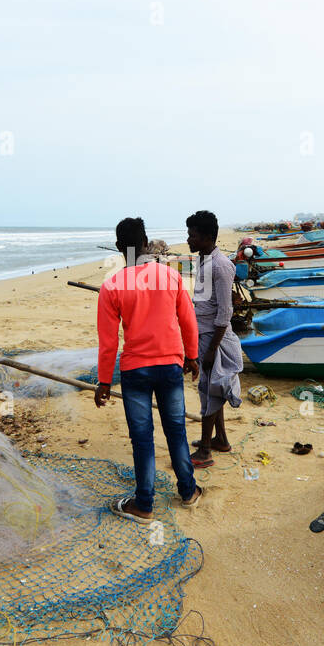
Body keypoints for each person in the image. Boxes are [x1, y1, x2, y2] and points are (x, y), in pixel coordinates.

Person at [94, 216, 203, 523]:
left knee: (142, 438)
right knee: (176, 430)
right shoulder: (169, 276)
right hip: (170, 365)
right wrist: (192, 356)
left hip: (135, 371)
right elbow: (188, 320)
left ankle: (144, 504)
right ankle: (188, 491)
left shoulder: (112, 285)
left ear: (119, 247)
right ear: (145, 243)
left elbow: (107, 343)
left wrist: (103, 382)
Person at [187, 210, 243, 466]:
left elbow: (225, 311)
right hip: (203, 335)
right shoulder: (204, 260)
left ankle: (206, 450)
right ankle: (220, 438)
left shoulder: (221, 265)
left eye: (193, 235)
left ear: (207, 236)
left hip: (214, 338)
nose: (189, 239)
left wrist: (211, 350)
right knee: (214, 389)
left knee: (209, 391)